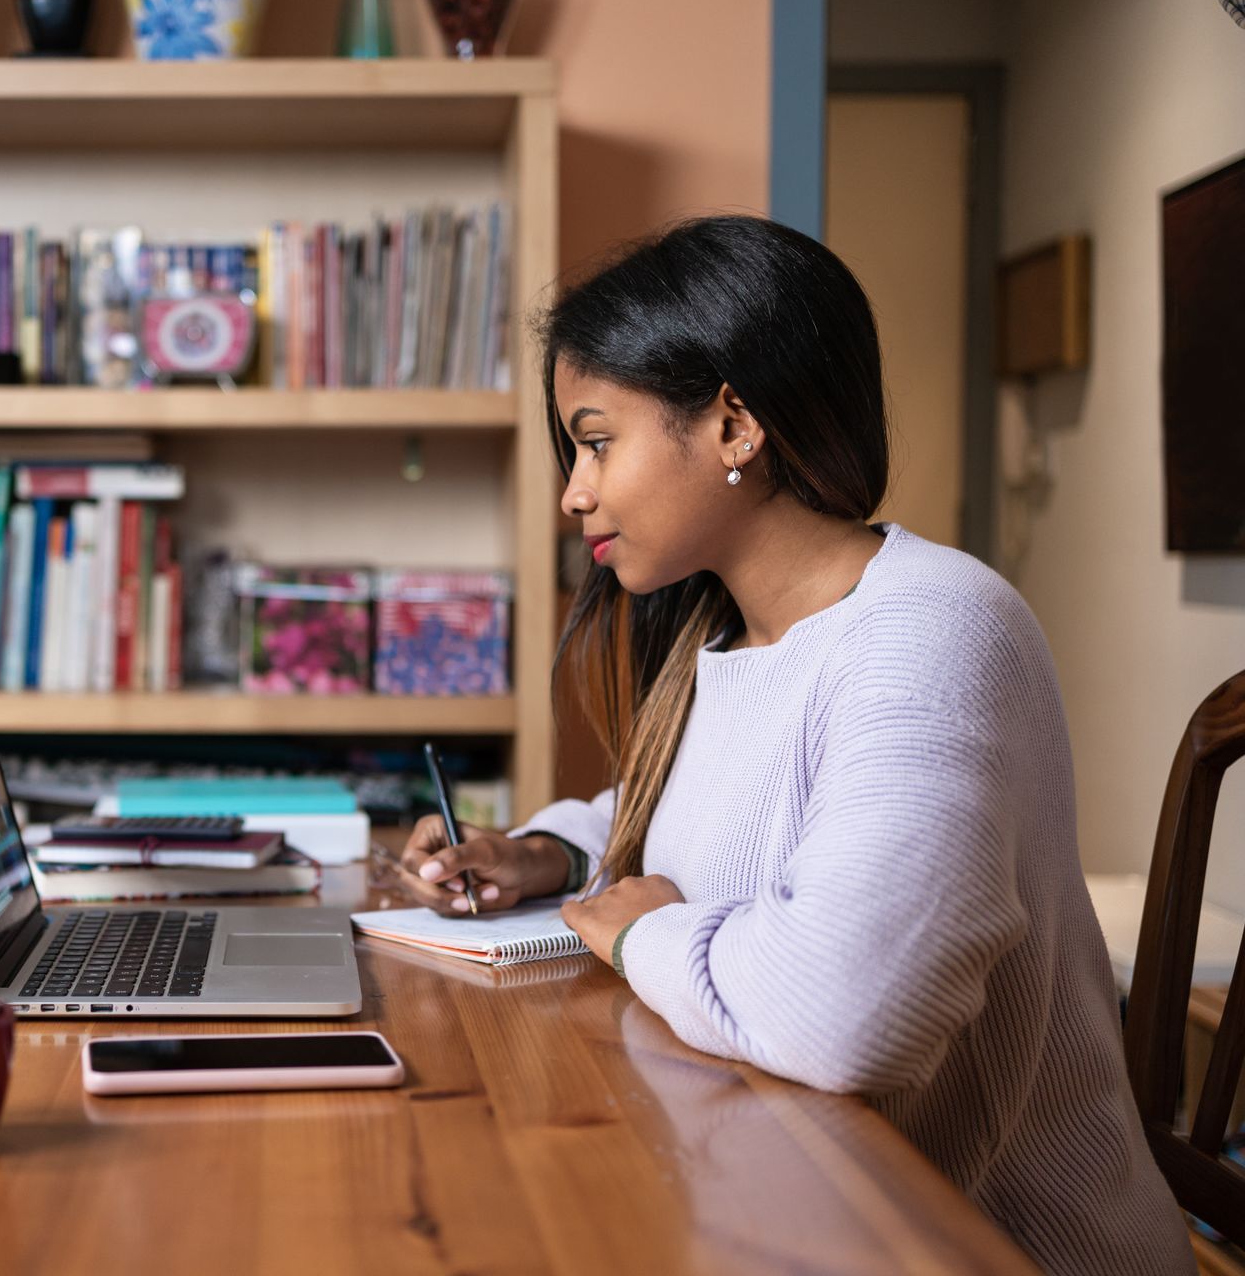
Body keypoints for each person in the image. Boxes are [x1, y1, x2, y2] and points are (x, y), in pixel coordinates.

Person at [388, 215, 1192, 1274]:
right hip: (801, 1208)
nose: (576, 490)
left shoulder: (929, 629)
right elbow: (707, 820)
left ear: (732, 425)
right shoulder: (725, 630)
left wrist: (647, 936)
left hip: (986, 1246)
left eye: (595, 439)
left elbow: (847, 1016)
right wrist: (549, 852)